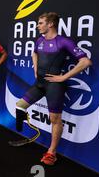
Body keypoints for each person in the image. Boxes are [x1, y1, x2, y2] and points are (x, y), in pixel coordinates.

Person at [15, 12, 92, 165]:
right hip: (40, 83)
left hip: (55, 85)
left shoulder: (63, 41)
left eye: (40, 23)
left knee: (54, 120)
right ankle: (33, 132)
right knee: (19, 106)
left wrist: (63, 77)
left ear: (50, 24)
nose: (38, 25)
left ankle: (52, 152)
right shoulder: (39, 40)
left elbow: (85, 62)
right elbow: (34, 54)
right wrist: (36, 69)